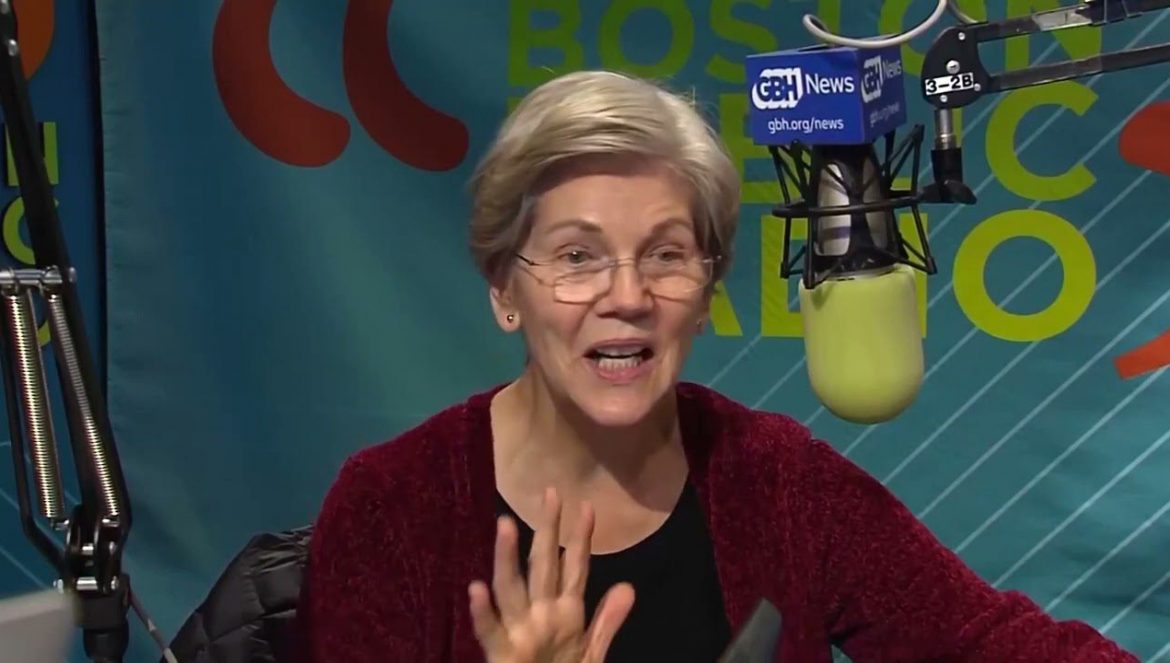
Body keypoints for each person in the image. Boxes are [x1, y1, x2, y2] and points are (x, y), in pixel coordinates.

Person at [298, 70, 1138, 662]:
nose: (627, 295)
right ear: (504, 290)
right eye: (578, 256)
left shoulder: (779, 482)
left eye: (666, 254)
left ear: (705, 293)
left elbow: (987, 643)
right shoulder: (391, 508)